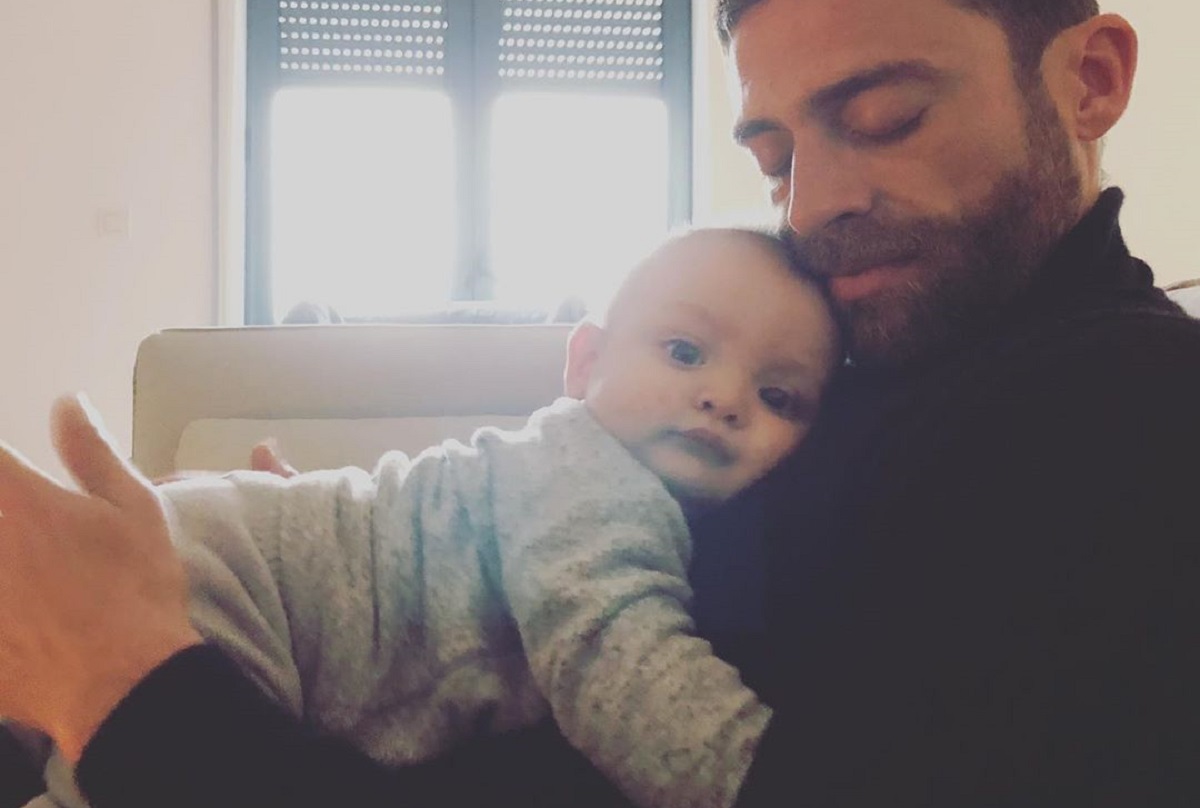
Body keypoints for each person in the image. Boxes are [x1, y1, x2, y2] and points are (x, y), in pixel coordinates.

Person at [1, 0, 1198, 805]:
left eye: (887, 119)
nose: (812, 203)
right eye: (774, 157)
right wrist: (354, 571)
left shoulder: (1132, 415)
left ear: (1089, 81)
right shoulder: (884, 354)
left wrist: (129, 683)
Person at [3, 226, 839, 808]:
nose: (725, 397)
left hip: (226, 558)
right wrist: (759, 775)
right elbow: (614, 659)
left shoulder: (552, 470)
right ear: (585, 363)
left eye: (779, 395)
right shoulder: (599, 482)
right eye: (685, 352)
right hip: (242, 587)